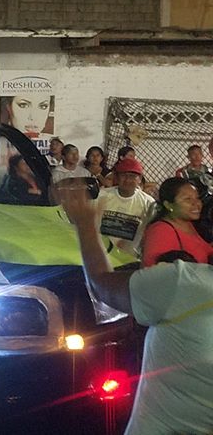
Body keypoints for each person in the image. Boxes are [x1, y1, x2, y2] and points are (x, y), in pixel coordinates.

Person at [55, 183, 213, 435]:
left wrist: (86, 226)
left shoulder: (185, 284)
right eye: (188, 198)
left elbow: (101, 284)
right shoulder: (164, 233)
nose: (197, 204)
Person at [141, 177, 213, 267]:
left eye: (197, 198)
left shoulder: (187, 224)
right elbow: (154, 271)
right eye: (188, 199)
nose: (197, 203)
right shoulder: (161, 231)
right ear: (168, 205)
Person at [94, 158, 154, 257]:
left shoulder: (148, 203)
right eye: (123, 175)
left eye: (132, 176)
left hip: (130, 257)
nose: (127, 180)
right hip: (101, 254)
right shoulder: (102, 196)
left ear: (140, 179)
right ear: (117, 177)